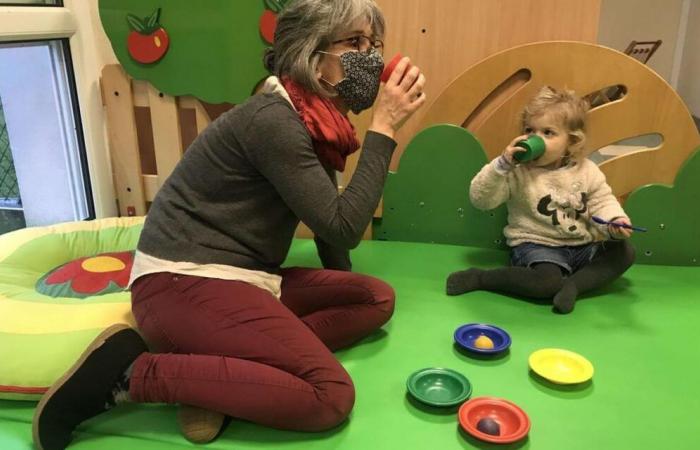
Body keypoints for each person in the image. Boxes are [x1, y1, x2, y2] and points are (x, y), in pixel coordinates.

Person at [32, 0, 426, 448]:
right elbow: (342, 226)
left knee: (374, 298)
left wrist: (338, 278)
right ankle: (130, 375)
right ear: (311, 54)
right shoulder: (273, 121)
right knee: (330, 397)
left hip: (244, 279)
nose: (372, 59)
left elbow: (326, 226)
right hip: (181, 282)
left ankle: (227, 376)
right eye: (355, 43)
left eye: (375, 45)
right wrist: (386, 128)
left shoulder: (318, 122)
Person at [446, 86, 635, 314]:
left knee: (624, 252)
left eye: (548, 133)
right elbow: (480, 199)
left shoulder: (587, 170)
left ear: (572, 141)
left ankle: (573, 285)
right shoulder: (517, 171)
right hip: (538, 246)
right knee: (546, 282)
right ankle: (482, 278)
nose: (536, 138)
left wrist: (614, 221)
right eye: (530, 130)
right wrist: (502, 165)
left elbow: (602, 201)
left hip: (581, 245)